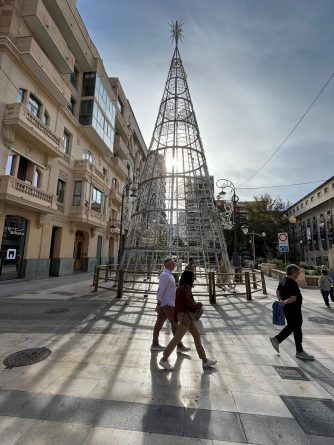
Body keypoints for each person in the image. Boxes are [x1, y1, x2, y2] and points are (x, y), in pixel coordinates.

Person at [159, 270, 217, 371]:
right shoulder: (186, 288)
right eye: (193, 277)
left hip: (184, 316)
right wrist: (198, 305)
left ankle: (204, 360)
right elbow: (189, 304)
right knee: (177, 338)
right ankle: (164, 359)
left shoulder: (180, 287)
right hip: (186, 316)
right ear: (189, 278)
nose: (194, 278)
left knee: (197, 336)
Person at [270, 264, 314, 360]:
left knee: (295, 328)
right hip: (293, 309)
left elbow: (278, 291)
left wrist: (281, 301)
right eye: (298, 273)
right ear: (293, 273)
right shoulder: (292, 283)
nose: (298, 275)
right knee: (294, 327)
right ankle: (278, 340)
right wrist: (284, 303)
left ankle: (299, 350)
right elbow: (293, 298)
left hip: (288, 309)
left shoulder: (283, 280)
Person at [151, 258, 189, 352]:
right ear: (168, 265)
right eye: (172, 263)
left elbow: (168, 288)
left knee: (159, 323)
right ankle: (179, 345)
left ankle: (155, 343)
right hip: (167, 304)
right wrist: (158, 303)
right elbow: (161, 290)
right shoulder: (165, 275)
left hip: (168, 303)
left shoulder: (168, 274)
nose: (174, 265)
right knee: (175, 324)